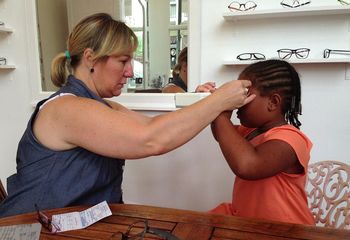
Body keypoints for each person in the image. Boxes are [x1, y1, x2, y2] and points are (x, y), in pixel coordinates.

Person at [0, 13, 254, 217]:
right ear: (90, 58)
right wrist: (220, 100)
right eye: (123, 61)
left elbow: (154, 126)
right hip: (31, 235)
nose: (130, 72)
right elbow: (151, 139)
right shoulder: (65, 109)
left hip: (69, 230)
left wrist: (203, 100)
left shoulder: (99, 106)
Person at [210, 59, 315, 225]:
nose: (238, 103)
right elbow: (220, 134)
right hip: (253, 224)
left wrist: (218, 109)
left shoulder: (291, 139)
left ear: (273, 102)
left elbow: (248, 166)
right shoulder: (251, 130)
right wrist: (215, 103)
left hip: (287, 231)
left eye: (245, 95)